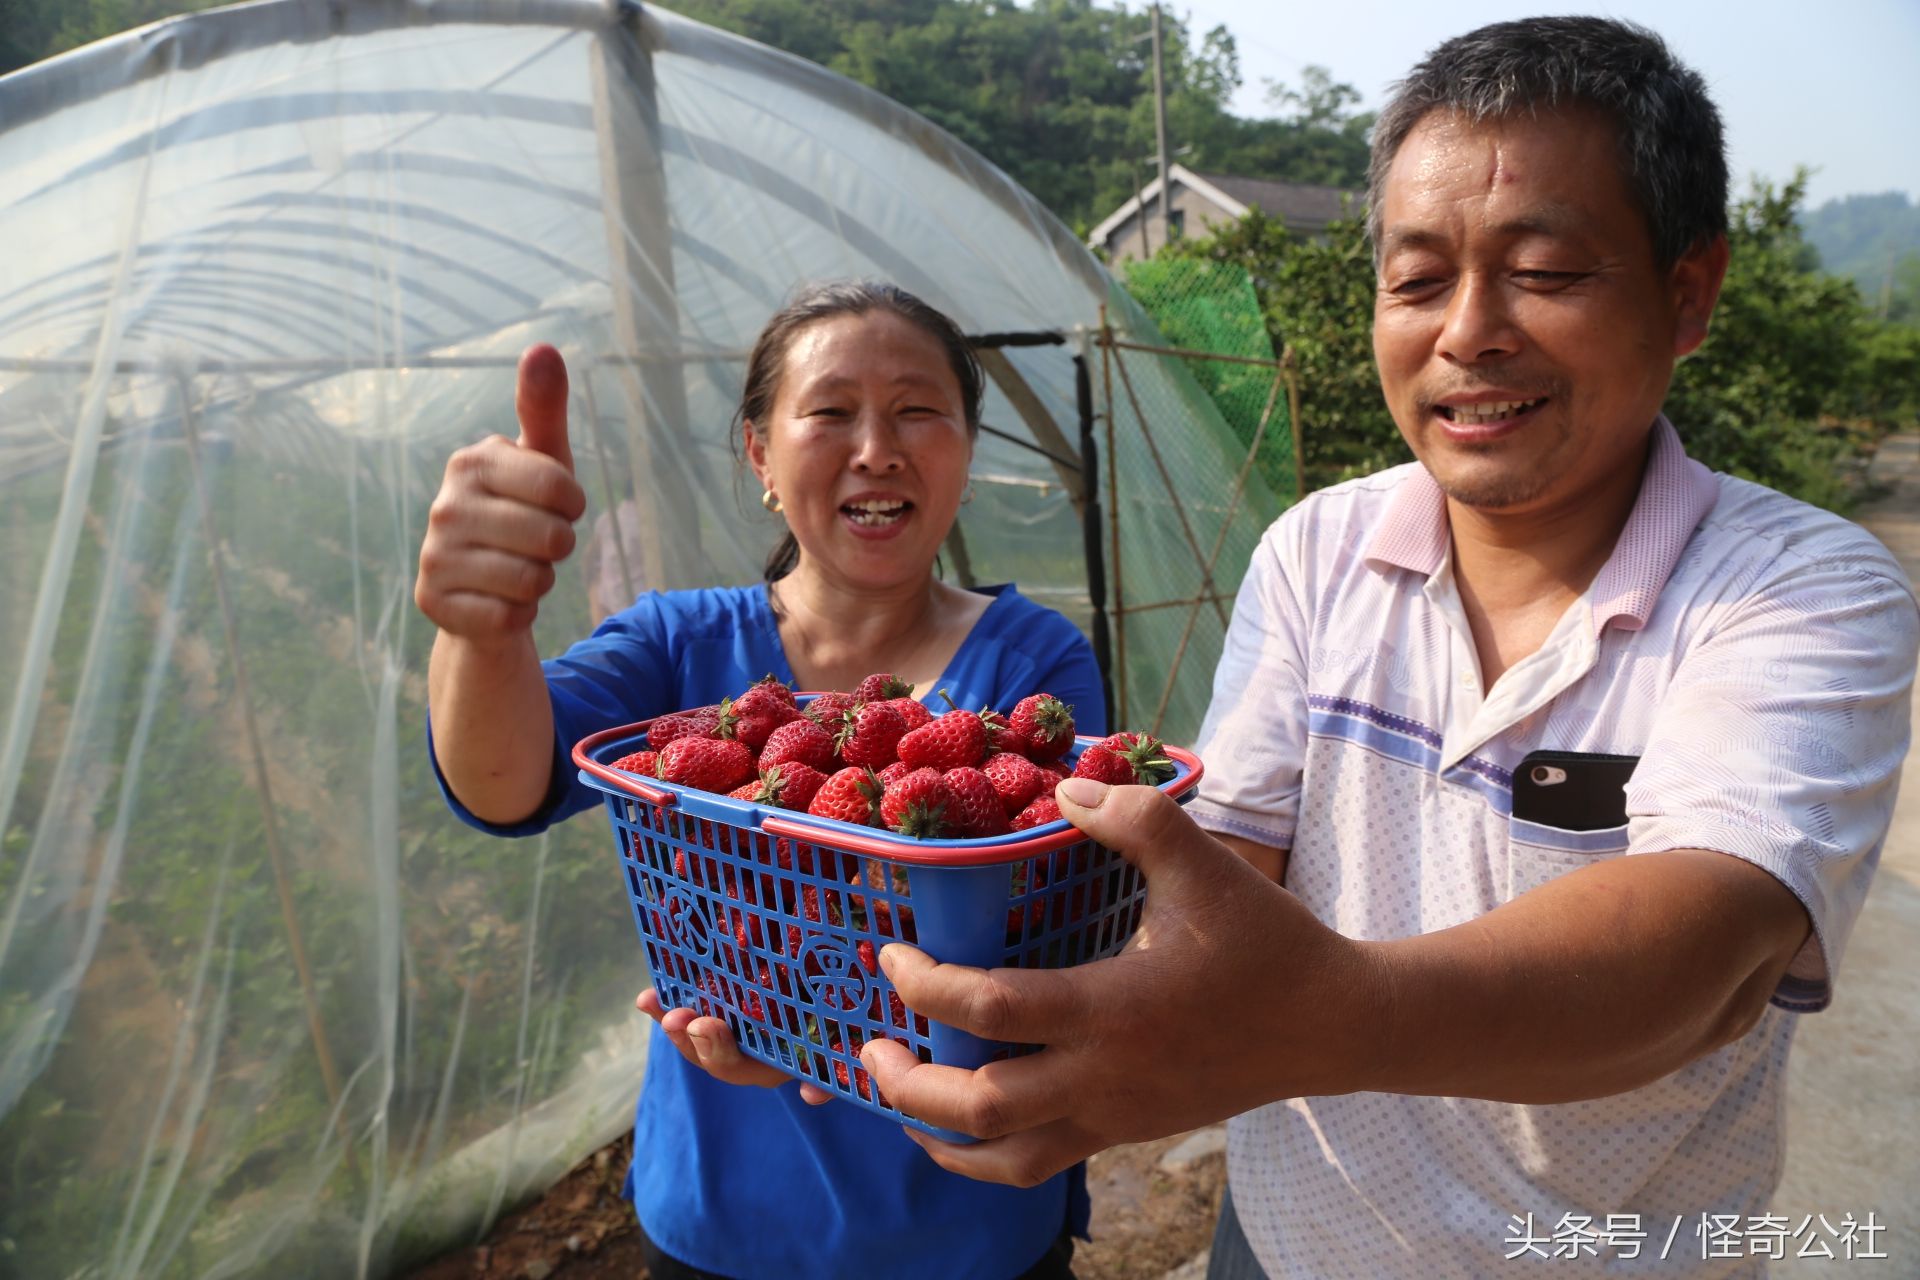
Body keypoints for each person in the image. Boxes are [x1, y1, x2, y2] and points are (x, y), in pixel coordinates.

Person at [857, 18, 1920, 1278]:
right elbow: (1217, 886)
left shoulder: (1796, 587)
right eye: (1417, 280)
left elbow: (1700, 960)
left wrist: (1304, 1023)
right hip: (1286, 1244)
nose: (1467, 332)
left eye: (1546, 270)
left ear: (1687, 292)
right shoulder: (1319, 552)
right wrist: (883, 994)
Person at [416, 280, 1106, 1279]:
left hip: (964, 1223)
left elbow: (1046, 934)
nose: (877, 446)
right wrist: (481, 631)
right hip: (724, 1219)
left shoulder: (1032, 663)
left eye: (919, 410)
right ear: (760, 456)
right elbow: (502, 781)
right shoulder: (675, 644)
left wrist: (807, 1029)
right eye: (829, 411)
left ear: (963, 450)